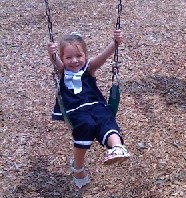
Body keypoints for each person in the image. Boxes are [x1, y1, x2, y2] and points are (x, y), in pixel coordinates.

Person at [47, 30, 130, 189]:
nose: (74, 61)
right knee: (87, 125)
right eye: (68, 57)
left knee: (106, 120)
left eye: (79, 56)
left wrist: (115, 43)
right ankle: (78, 168)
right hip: (76, 111)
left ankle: (117, 148)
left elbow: (103, 56)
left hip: (97, 105)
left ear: (85, 55)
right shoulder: (63, 72)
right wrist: (52, 53)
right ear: (63, 59)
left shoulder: (89, 68)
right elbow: (55, 61)